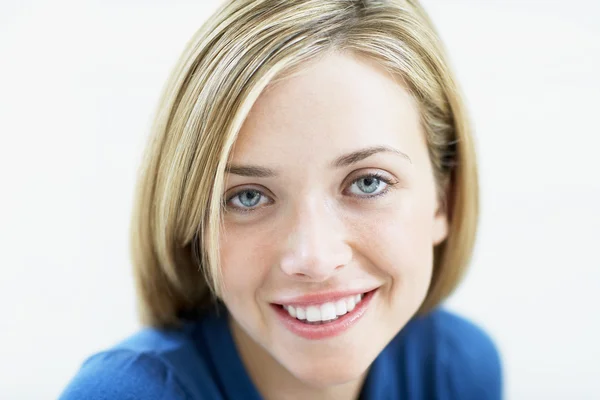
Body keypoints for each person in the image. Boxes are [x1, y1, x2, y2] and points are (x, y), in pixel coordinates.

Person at [59, 0, 502, 398]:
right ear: (193, 222)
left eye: (368, 182)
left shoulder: (458, 368)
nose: (314, 257)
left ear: (444, 199)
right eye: (248, 197)